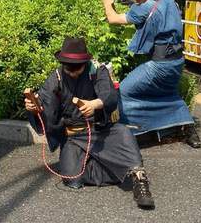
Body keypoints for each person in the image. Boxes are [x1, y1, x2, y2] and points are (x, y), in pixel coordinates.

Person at [25, 37, 155, 210]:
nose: (71, 72)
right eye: (67, 67)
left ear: (85, 63)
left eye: (76, 68)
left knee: (123, 133)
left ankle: (139, 180)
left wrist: (95, 104)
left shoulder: (97, 71)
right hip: (73, 136)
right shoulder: (56, 77)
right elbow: (45, 106)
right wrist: (34, 109)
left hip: (100, 131)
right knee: (72, 179)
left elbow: (109, 96)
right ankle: (116, 167)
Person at [101, 0, 200, 148]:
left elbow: (113, 18)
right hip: (177, 62)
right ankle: (186, 127)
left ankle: (133, 130)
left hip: (160, 65)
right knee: (167, 94)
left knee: (123, 91)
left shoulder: (144, 8)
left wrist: (107, 2)